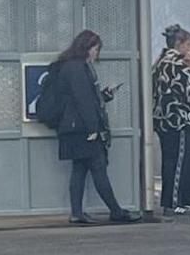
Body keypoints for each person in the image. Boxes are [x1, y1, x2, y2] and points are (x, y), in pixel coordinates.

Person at [46, 30, 138, 226]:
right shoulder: (78, 68)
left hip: (73, 128)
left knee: (79, 169)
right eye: (96, 49)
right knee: (98, 167)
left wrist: (106, 94)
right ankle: (115, 211)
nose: (97, 53)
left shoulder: (71, 67)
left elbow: (83, 98)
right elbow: (83, 100)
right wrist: (93, 128)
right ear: (87, 48)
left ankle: (77, 213)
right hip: (82, 129)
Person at [152, 25, 190, 215]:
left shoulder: (160, 63)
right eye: (188, 44)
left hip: (162, 119)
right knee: (178, 162)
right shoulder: (178, 65)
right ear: (180, 44)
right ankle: (174, 202)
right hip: (179, 120)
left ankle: (169, 200)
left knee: (168, 161)